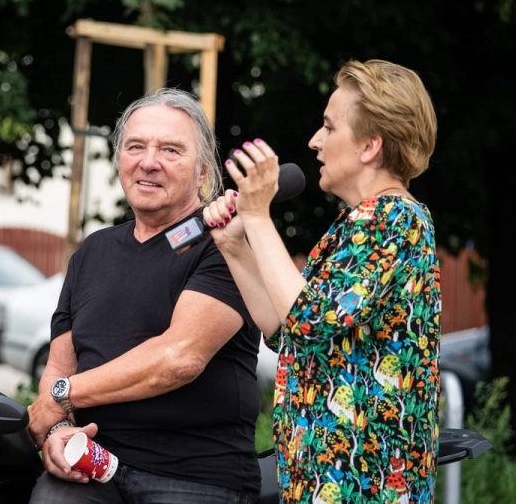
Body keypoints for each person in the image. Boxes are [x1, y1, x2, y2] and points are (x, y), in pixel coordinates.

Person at [203, 59, 441, 503]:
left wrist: (257, 215)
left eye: (329, 127)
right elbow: (287, 330)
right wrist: (235, 245)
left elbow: (309, 319)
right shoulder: (357, 224)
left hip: (364, 489)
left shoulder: (392, 219)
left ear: (370, 146)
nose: (315, 141)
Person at [26, 88, 262, 503]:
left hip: (195, 476)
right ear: (120, 160)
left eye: (170, 150)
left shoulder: (226, 243)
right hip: (94, 466)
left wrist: (61, 396)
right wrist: (60, 431)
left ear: (203, 173)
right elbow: (60, 365)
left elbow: (178, 360)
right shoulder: (92, 252)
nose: (148, 162)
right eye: (135, 147)